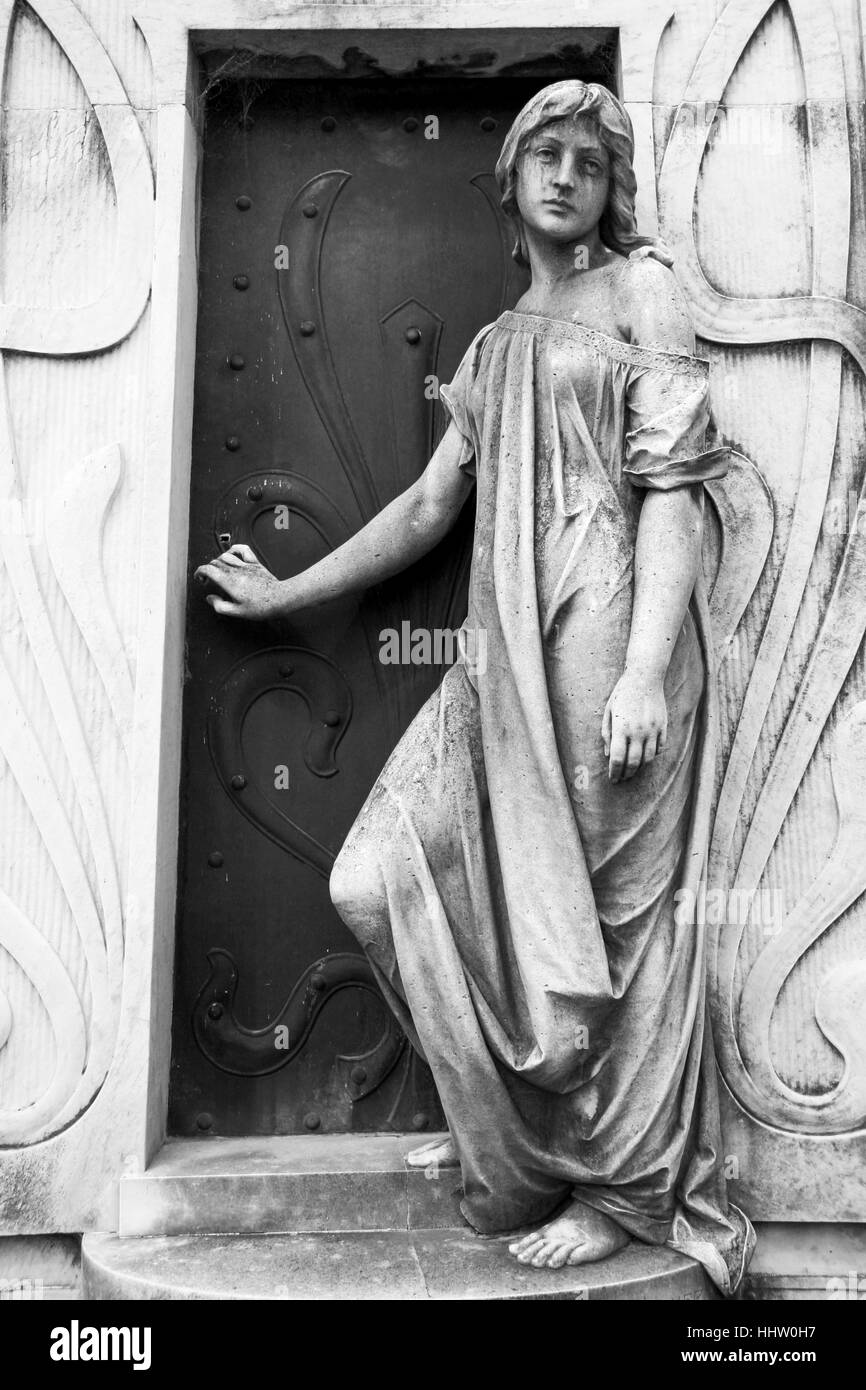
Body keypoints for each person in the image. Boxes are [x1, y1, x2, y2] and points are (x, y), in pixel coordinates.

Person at [196, 80, 755, 1295]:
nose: (563, 176)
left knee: (605, 929)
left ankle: (615, 1184)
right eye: (541, 156)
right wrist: (289, 595)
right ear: (506, 180)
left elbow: (672, 487)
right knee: (376, 875)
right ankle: (507, 1122)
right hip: (497, 648)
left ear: (609, 191)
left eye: (586, 162)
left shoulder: (642, 293)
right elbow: (425, 509)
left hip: (606, 630)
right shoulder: (498, 341)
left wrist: (648, 668)